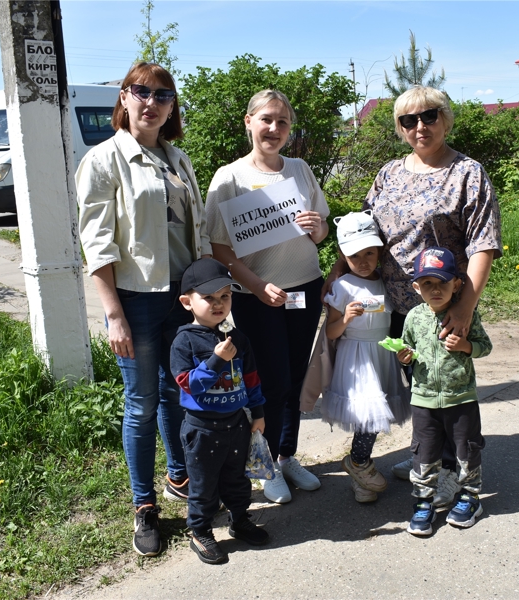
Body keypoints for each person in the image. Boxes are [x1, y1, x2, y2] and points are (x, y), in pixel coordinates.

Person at [325, 86, 502, 490]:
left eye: (429, 116)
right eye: (409, 120)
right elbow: (362, 228)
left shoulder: (467, 173)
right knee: (405, 385)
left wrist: (465, 308)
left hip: (442, 304)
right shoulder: (389, 172)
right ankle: (418, 457)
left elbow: (483, 245)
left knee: (443, 385)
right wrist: (338, 270)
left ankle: (447, 468)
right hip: (391, 306)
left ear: (445, 119)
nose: (420, 126)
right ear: (400, 127)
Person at [76, 62, 210, 556]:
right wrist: (113, 314)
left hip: (181, 296)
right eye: (141, 92)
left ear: (172, 106)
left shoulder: (179, 159)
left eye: (162, 95)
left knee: (177, 394)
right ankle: (144, 506)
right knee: (141, 404)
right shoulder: (105, 160)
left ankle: (179, 475)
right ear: (124, 98)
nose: (150, 102)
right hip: (137, 299)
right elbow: (98, 244)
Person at [205, 90, 329, 504]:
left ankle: (287, 454)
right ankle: (265, 466)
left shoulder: (299, 170)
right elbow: (218, 249)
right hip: (257, 296)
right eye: (266, 120)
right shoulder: (230, 177)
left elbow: (322, 231)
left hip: (304, 288)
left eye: (282, 122)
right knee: (269, 383)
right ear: (249, 122)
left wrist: (316, 228)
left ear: (290, 130)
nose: (274, 129)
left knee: (294, 378)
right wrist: (257, 286)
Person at [170, 258, 269, 564]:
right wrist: (214, 361)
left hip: (237, 423)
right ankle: (200, 531)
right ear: (187, 302)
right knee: (203, 485)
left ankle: (239, 520)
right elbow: (188, 385)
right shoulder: (184, 341)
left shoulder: (237, 337)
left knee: (237, 480)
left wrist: (258, 412)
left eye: (224, 296)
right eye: (208, 298)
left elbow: (251, 378)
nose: (218, 304)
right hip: (202, 429)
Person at [397, 247, 492, 536]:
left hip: (460, 397)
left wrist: (465, 346)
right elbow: (407, 346)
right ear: (416, 286)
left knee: (467, 450)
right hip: (423, 400)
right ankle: (423, 502)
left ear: (457, 284)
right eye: (427, 284)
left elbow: (484, 346)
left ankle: (470, 497)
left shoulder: (466, 315)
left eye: (442, 282)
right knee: (423, 453)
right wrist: (404, 356)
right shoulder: (413, 317)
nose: (435, 290)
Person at [321, 211, 411, 503]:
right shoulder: (342, 286)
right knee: (368, 416)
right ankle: (359, 462)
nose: (363, 262)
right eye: (354, 256)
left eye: (369, 253)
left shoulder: (387, 282)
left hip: (382, 354)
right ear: (342, 255)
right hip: (356, 356)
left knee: (373, 414)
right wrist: (345, 318)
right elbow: (331, 333)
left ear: (379, 252)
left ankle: (361, 480)